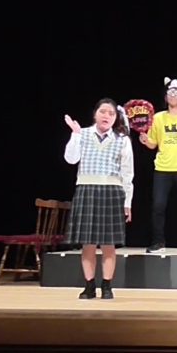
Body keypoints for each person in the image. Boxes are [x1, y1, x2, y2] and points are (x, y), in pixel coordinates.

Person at [62, 98, 134, 300]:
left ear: (116, 118)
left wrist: (127, 202)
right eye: (103, 111)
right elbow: (71, 159)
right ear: (95, 114)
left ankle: (107, 285)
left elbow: (128, 173)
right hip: (87, 190)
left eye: (111, 113)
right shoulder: (82, 134)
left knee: (109, 244)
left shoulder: (122, 139)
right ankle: (89, 285)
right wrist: (75, 135)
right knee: (88, 243)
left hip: (112, 192)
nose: (106, 116)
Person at [139, 77, 177, 253]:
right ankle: (158, 242)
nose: (173, 96)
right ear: (165, 97)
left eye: (176, 93)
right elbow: (153, 144)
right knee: (158, 206)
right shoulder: (158, 118)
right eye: (169, 93)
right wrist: (145, 140)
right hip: (162, 169)